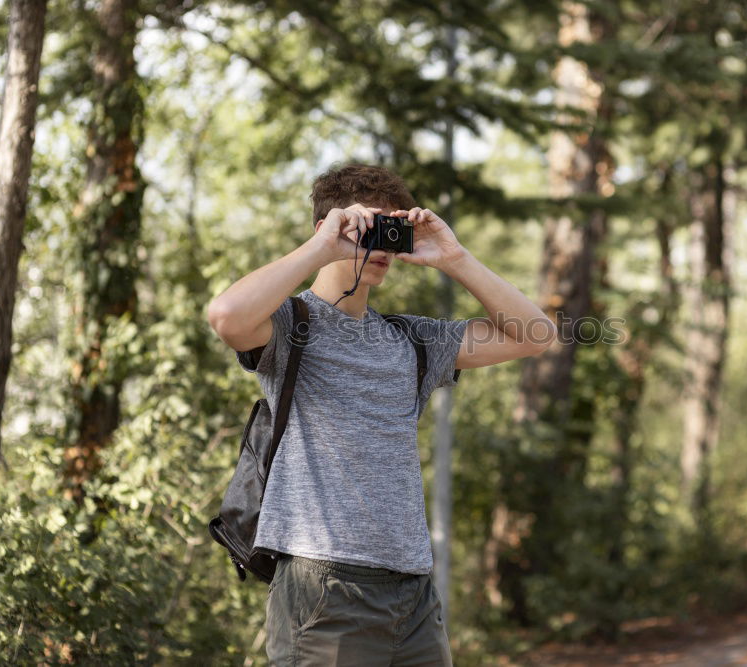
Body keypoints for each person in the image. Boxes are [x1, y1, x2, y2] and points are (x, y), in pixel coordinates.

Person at [207, 162, 555, 665]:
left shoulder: (410, 340)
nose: (384, 247)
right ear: (329, 227)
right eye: (369, 228)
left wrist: (455, 258)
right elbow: (226, 315)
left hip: (413, 593)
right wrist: (325, 246)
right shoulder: (289, 325)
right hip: (325, 588)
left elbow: (538, 335)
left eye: (392, 232)